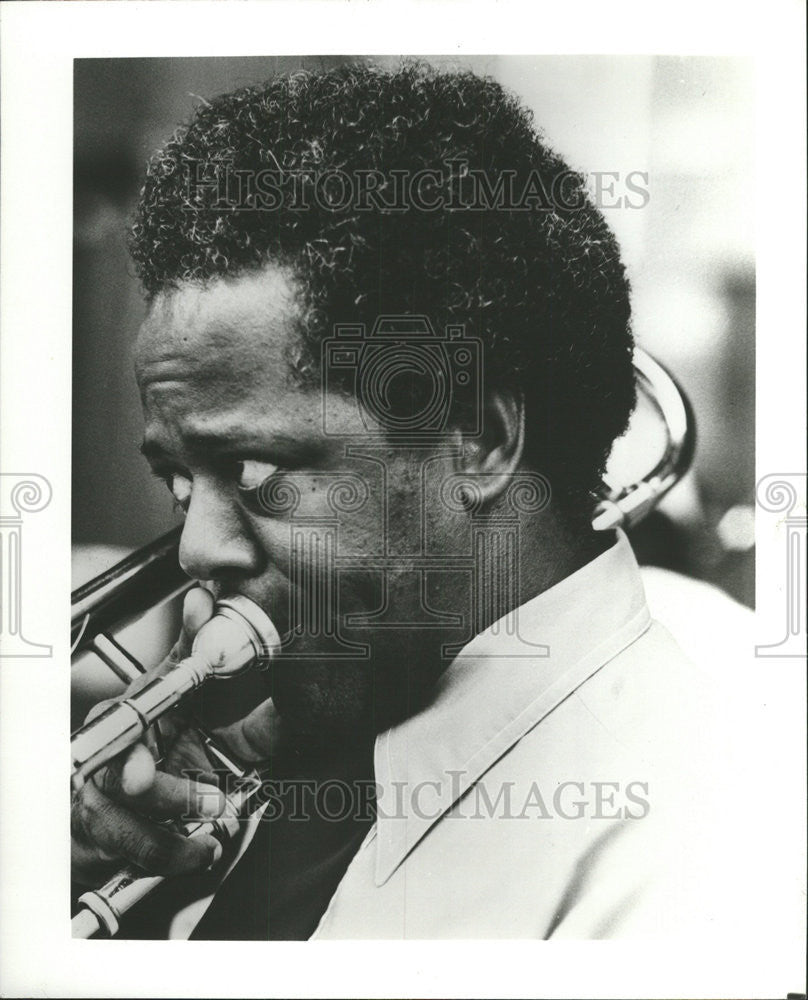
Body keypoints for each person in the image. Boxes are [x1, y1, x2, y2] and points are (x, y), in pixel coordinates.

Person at [71, 61, 769, 941]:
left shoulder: (700, 854)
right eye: (177, 481)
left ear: (477, 440)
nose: (196, 550)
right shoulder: (312, 718)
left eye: (257, 474)